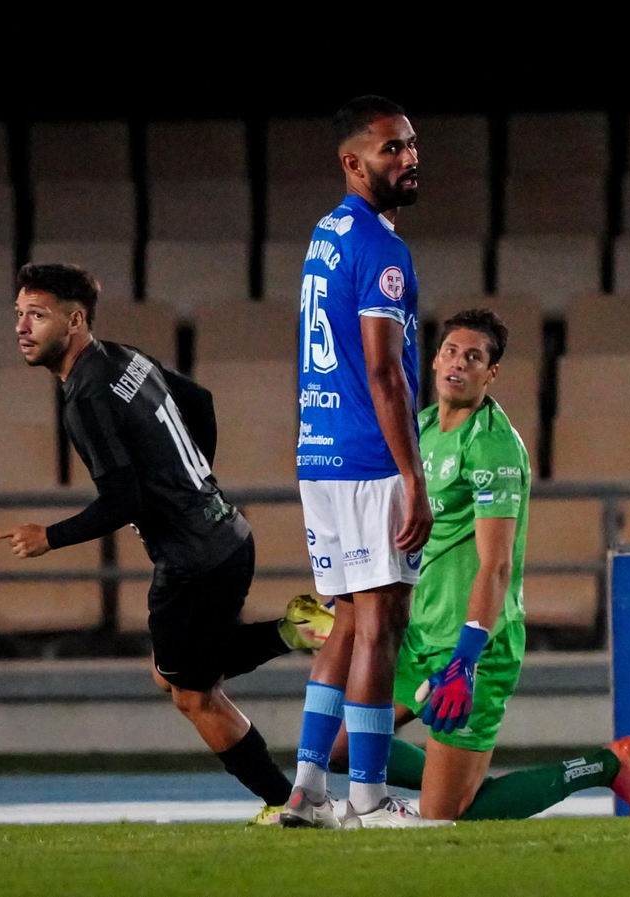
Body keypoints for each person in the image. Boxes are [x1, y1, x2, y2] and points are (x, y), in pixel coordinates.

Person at [0, 263, 331, 825]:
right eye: (19, 315)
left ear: (74, 321)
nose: (23, 327)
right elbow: (200, 400)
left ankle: (291, 803)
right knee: (176, 674)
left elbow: (122, 501)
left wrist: (48, 537)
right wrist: (190, 482)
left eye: (38, 315)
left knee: (191, 694)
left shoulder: (85, 397)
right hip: (227, 534)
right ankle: (303, 629)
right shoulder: (123, 356)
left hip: (191, 563)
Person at [284, 309, 630, 827]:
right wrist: (343, 607)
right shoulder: (422, 428)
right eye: (452, 352)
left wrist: (465, 659)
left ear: (491, 373)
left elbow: (496, 566)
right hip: (416, 636)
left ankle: (605, 764)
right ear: (435, 360)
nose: (459, 364)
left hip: (475, 643)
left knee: (444, 815)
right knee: (344, 747)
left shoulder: (492, 446)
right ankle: (447, 767)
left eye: (474, 357)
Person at [280, 95, 436, 830]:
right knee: (380, 621)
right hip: (370, 457)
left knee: (346, 621)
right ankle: (368, 797)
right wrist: (412, 474)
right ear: (352, 162)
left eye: (409, 145)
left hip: (320, 451)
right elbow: (384, 371)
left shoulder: (325, 234)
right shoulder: (380, 247)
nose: (407, 159)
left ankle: (308, 790)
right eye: (390, 149)